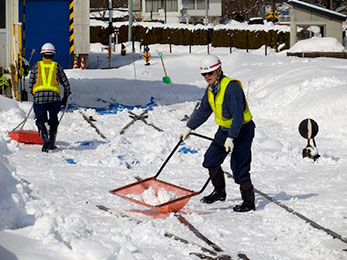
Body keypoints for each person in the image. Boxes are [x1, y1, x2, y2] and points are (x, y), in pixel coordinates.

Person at [180, 54, 256, 212]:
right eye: (204, 74)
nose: (207, 77)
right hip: (224, 131)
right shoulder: (211, 89)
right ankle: (219, 192)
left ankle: (249, 202)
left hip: (242, 131)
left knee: (239, 168)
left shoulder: (232, 87)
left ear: (219, 70)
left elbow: (238, 115)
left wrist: (231, 137)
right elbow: (203, 111)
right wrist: (189, 127)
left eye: (210, 73)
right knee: (211, 160)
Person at [29, 42, 71, 152]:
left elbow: (31, 84)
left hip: (39, 98)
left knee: (40, 120)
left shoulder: (36, 66)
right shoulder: (57, 67)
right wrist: (65, 98)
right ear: (53, 55)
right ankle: (51, 143)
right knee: (53, 121)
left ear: (42, 55)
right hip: (54, 99)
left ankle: (44, 137)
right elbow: (66, 84)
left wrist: (35, 95)